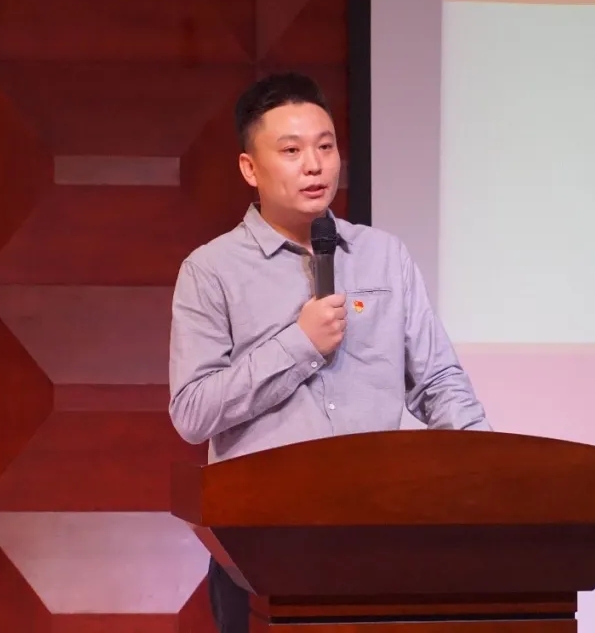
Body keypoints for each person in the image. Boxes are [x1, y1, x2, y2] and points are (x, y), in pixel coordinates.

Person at [167, 72, 492, 633]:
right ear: (250, 168)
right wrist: (298, 344)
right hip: (259, 542)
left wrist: (490, 473)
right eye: (291, 151)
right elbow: (193, 412)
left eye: (325, 146)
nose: (314, 166)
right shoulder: (211, 270)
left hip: (378, 530)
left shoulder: (384, 255)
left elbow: (438, 381)